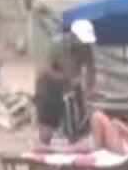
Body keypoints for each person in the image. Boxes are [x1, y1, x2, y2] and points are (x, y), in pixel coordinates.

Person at [34, 19, 98, 147]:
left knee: (79, 124)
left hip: (71, 86)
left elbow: (91, 69)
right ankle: (44, 146)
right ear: (73, 36)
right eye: (81, 41)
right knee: (48, 126)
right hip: (50, 85)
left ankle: (74, 144)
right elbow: (45, 69)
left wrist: (90, 89)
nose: (84, 44)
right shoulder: (57, 45)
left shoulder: (86, 47)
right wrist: (65, 79)